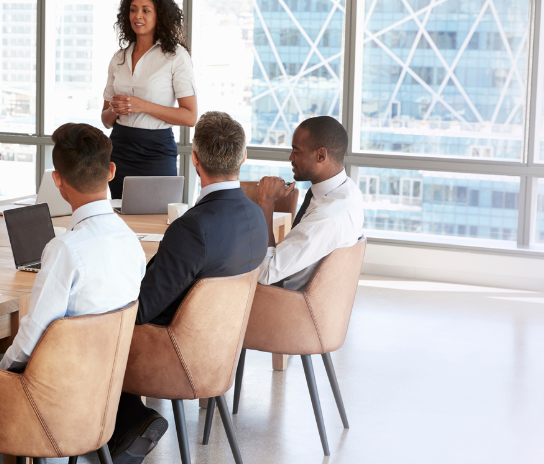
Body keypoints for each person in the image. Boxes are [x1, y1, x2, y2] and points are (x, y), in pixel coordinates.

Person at [0, 123, 146, 464]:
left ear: (57, 180)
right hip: (98, 390)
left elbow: (33, 336)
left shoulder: (66, 249)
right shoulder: (130, 241)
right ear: (111, 171)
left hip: (46, 398)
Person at [108, 112, 268, 464]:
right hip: (218, 352)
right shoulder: (257, 216)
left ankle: (126, 423)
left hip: (171, 353)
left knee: (93, 328)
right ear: (243, 157)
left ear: (194, 159)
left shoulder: (193, 228)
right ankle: (130, 421)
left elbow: (143, 308)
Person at [101, 0, 199, 199]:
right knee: (121, 216)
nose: (138, 16)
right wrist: (115, 109)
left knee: (156, 220)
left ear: (159, 16)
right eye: (133, 9)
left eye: (146, 10)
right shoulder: (119, 58)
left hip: (156, 151)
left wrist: (141, 105)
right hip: (119, 149)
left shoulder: (176, 56)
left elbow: (190, 116)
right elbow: (106, 120)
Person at [253, 116, 364, 289]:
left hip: (281, 300)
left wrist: (266, 203)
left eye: (296, 152)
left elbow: (265, 273)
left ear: (321, 155)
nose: (290, 157)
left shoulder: (325, 217)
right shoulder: (349, 190)